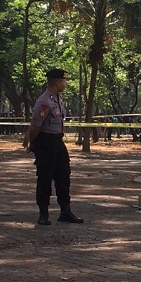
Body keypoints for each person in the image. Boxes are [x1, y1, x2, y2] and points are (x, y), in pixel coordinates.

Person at [28, 68, 84, 225]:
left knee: (63, 176)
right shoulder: (44, 102)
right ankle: (43, 213)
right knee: (45, 178)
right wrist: (32, 143)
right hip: (45, 142)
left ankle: (65, 211)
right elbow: (35, 127)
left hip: (58, 142)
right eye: (64, 81)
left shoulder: (58, 99)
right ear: (58, 82)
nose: (65, 84)